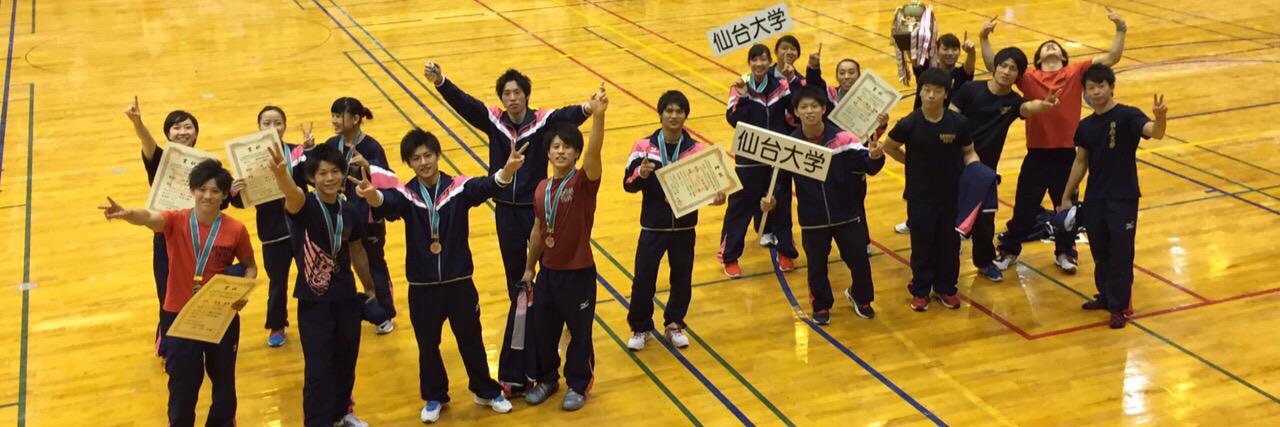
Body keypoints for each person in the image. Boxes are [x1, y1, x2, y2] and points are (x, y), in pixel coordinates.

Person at [421, 61, 596, 396]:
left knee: (549, 274)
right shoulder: (495, 121)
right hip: (505, 211)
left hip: (536, 209)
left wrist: (588, 109)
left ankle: (558, 330)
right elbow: (466, 105)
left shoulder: (542, 122)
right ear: (502, 99)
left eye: (517, 93)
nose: (512, 98)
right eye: (506, 94)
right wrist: (442, 81)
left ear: (527, 96)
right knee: (518, 283)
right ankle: (523, 354)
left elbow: (568, 116)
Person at [352, 128, 526, 422]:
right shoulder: (407, 195)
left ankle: (485, 390)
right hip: (422, 287)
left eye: (428, 155)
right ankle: (435, 396)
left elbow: (487, 186)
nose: (423, 163)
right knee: (427, 345)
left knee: (471, 339)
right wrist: (372, 195)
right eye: (416, 158)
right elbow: (386, 202)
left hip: (460, 283)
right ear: (409, 163)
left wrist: (507, 170)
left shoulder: (457, 189)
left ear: (437, 155)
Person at [99, 159, 257, 427]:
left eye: (215, 191)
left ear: (224, 196)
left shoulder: (236, 229)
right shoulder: (176, 220)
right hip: (180, 316)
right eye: (202, 189)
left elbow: (250, 266)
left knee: (224, 381)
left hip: (220, 316)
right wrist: (127, 214)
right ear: (193, 190)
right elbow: (149, 218)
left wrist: (244, 292)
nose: (207, 196)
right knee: (183, 384)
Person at [980, 10, 1128, 274]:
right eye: (1046, 47)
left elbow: (1112, 57)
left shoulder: (1076, 72)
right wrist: (984, 39)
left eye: (1055, 46)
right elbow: (996, 67)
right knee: (1024, 208)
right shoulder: (1028, 77)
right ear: (1038, 58)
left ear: (1063, 56)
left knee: (1065, 208)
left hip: (1067, 155)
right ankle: (1009, 250)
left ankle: (1065, 252)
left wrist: (1120, 28)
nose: (1050, 46)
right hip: (1036, 154)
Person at [269, 143, 375, 427]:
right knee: (318, 367)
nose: (329, 178)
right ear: (312, 177)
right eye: (322, 173)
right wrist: (281, 176)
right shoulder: (304, 205)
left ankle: (341, 413)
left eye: (335, 172)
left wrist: (370, 286)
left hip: (346, 298)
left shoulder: (349, 210)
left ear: (342, 174)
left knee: (346, 360)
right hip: (313, 302)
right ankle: (317, 421)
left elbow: (357, 250)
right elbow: (292, 194)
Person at [764, 86, 886, 323]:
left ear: (823, 109)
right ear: (796, 112)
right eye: (804, 107)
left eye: (814, 106)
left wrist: (875, 156)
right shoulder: (790, 145)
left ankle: (861, 297)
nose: (809, 111)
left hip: (847, 214)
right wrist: (772, 199)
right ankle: (821, 305)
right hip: (813, 218)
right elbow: (779, 182)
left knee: (859, 260)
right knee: (817, 265)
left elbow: (869, 167)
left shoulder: (844, 140)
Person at [520, 84, 608, 411]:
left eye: (567, 147)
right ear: (548, 153)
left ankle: (578, 385)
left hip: (579, 272)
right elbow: (537, 231)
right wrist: (530, 267)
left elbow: (595, 153)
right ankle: (547, 379)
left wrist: (598, 117)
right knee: (544, 330)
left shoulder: (584, 182)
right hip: (548, 273)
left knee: (579, 333)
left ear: (575, 154)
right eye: (555, 147)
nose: (560, 152)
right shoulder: (541, 188)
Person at [1060, 64, 1166, 329]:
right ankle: (1106, 296)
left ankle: (1119, 306)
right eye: (1091, 88)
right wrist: (1066, 195)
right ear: (1085, 92)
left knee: (1121, 252)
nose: (1096, 92)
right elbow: (1081, 162)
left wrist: (1160, 118)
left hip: (1123, 197)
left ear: (1111, 87)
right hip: (1095, 198)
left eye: (1101, 86)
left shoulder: (1129, 115)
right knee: (1100, 250)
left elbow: (1155, 132)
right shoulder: (1085, 126)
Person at [622, 90, 725, 351]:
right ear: (660, 114)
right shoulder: (643, 147)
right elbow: (628, 184)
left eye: (679, 111)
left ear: (685, 116)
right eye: (669, 110)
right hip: (652, 226)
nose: (674, 115)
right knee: (643, 278)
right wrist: (641, 174)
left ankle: (675, 324)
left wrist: (716, 198)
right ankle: (641, 327)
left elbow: (707, 188)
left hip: (684, 227)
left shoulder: (697, 150)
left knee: (681, 277)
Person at [947, 48, 1062, 282]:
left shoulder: (1013, 101)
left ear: (1018, 75)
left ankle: (984, 261)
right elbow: (950, 117)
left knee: (985, 222)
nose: (1007, 72)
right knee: (948, 214)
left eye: (1013, 69)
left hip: (985, 171)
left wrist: (1044, 105)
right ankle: (944, 266)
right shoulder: (970, 89)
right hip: (954, 162)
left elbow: (1028, 108)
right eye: (1003, 66)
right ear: (995, 67)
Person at [881, 68, 981, 312]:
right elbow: (889, 146)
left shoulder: (958, 122)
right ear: (920, 92)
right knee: (922, 243)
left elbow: (969, 152)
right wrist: (910, 163)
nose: (931, 95)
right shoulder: (909, 123)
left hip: (951, 195)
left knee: (949, 244)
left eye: (937, 91)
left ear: (946, 94)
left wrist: (977, 172)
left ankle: (946, 288)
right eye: (927, 90)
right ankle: (921, 289)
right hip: (920, 195)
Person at [229, 106, 313, 347]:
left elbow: (311, 178)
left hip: (302, 227)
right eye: (266, 123)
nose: (272, 127)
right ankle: (277, 325)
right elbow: (240, 202)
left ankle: (312, 321)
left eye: (277, 122)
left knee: (310, 277)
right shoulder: (247, 159)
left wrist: (310, 151)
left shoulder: (297, 152)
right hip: (272, 233)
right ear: (259, 127)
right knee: (278, 283)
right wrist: (235, 191)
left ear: (285, 126)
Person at [124, 97, 200, 357]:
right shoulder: (159, 160)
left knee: (194, 291)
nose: (182, 132)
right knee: (167, 292)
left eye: (188, 127)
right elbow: (147, 143)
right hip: (165, 235)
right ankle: (167, 341)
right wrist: (138, 123)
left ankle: (192, 338)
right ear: (168, 134)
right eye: (176, 127)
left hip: (197, 238)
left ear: (196, 134)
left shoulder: (207, 165)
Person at [722, 43, 800, 278]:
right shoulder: (739, 86)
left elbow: (793, 115)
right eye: (755, 60)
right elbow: (733, 119)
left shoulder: (780, 85)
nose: (759, 64)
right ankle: (729, 257)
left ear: (769, 61)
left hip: (777, 156)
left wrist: (792, 82)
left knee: (781, 204)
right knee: (740, 208)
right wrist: (744, 97)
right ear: (749, 62)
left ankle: (785, 251)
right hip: (749, 158)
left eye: (763, 59)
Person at [323, 97, 399, 335]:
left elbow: (390, 180)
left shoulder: (372, 146)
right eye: (333, 115)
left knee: (375, 264)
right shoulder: (332, 144)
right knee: (347, 264)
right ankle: (357, 308)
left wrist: (369, 165)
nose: (335, 120)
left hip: (368, 217)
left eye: (339, 116)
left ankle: (385, 312)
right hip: (341, 217)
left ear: (355, 119)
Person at [895, 32, 977, 234]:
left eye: (954, 49)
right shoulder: (928, 71)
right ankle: (913, 221)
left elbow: (969, 67)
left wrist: (971, 51)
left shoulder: (961, 74)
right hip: (921, 128)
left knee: (948, 178)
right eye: (945, 48)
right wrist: (912, 36)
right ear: (936, 50)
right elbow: (915, 59)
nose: (950, 53)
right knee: (916, 181)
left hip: (948, 131)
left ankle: (952, 228)